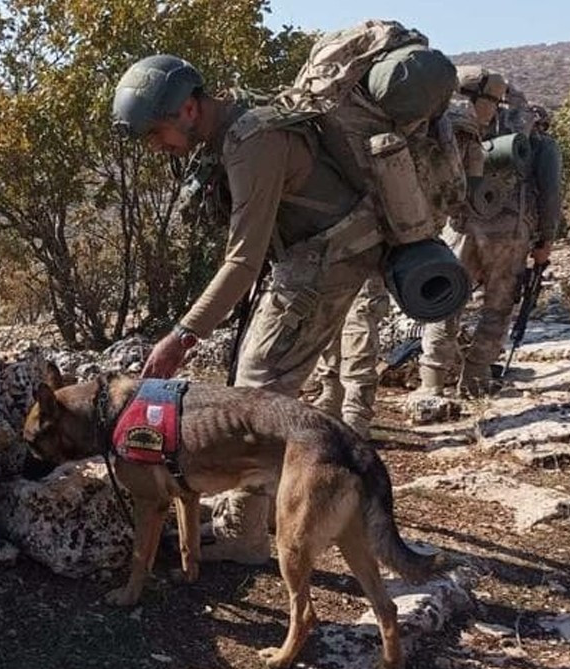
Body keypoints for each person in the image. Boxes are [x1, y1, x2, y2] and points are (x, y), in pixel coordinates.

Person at [113, 54, 387, 563]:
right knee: (263, 378)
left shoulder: (251, 142)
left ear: (190, 109)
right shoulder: (237, 121)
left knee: (259, 387)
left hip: (327, 258)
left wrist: (181, 336)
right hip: (317, 253)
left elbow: (241, 262)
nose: (156, 147)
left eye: (156, 133)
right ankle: (301, 505)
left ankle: (245, 536)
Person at [414, 69, 562, 397]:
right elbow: (551, 194)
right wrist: (546, 241)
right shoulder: (538, 142)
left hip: (462, 226)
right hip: (511, 232)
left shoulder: (461, 124)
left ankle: (432, 384)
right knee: (497, 305)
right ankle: (475, 378)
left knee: (446, 300)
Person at [309, 276, 390, 439]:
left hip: (366, 258)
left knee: (360, 316)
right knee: (327, 312)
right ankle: (333, 396)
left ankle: (356, 411)